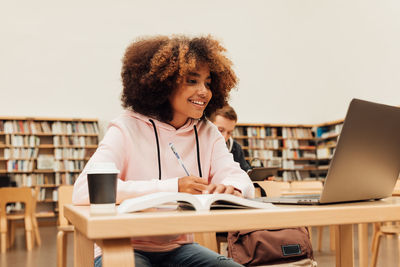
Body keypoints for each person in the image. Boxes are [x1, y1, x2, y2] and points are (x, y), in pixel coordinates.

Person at [72, 35, 254, 267]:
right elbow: (84, 190)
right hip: (120, 245)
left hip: (179, 248)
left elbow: (237, 175)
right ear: (164, 84)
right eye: (192, 81)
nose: (204, 92)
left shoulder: (207, 132)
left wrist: (233, 187)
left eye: (208, 83)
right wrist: (173, 187)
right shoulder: (126, 127)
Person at [209, 105, 251, 172]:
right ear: (208, 126)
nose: (224, 137)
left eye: (229, 132)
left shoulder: (235, 147)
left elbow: (245, 171)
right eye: (220, 130)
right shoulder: (196, 146)